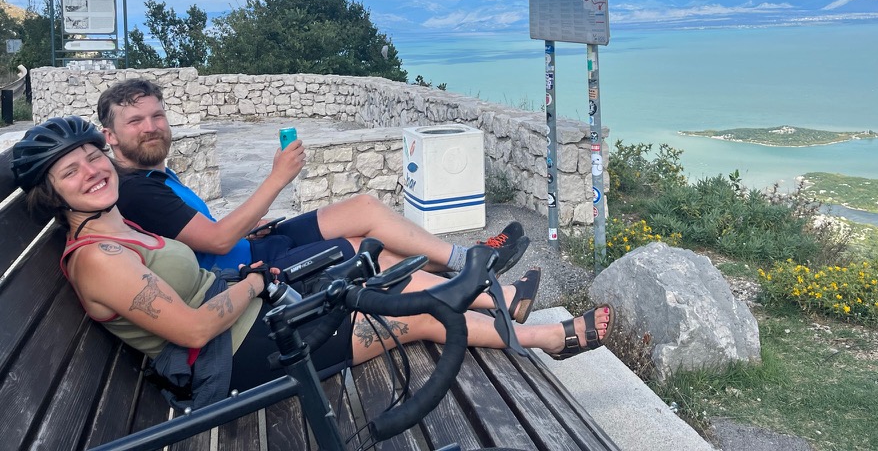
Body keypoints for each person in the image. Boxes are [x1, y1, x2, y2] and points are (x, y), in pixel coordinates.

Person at [10, 116, 614, 409]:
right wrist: (252, 283)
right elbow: (192, 329)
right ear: (52, 194)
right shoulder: (98, 258)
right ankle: (544, 337)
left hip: (251, 322)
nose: (92, 172)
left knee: (381, 273)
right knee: (415, 316)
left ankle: (503, 302)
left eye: (93, 158)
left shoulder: (116, 223)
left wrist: (250, 279)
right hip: (237, 357)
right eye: (72, 171)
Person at [96, 78, 529, 277]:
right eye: (136, 121)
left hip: (253, 245)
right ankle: (479, 278)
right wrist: (277, 179)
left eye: (157, 116)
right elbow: (218, 242)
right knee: (364, 248)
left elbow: (207, 234)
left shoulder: (149, 174)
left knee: (364, 208)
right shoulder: (137, 190)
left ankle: (465, 261)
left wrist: (251, 224)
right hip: (247, 273)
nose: (151, 127)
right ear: (110, 135)